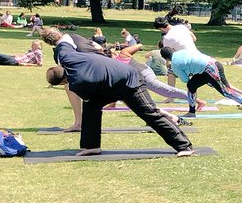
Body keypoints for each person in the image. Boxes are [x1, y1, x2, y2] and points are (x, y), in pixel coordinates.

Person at [45, 34, 193, 157]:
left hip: (130, 81)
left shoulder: (77, 83)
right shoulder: (66, 56)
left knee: (149, 113)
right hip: (112, 83)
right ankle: (91, 146)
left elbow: (89, 92)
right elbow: (65, 38)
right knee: (91, 107)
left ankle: (184, 146)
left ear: (63, 82)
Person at [162, 46, 242, 117]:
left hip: (210, 69)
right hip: (210, 66)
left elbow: (185, 79)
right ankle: (191, 112)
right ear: (173, 50)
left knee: (226, 92)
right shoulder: (182, 51)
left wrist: (184, 73)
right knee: (191, 86)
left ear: (166, 58)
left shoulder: (174, 64)